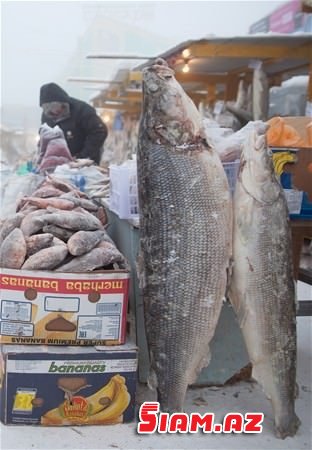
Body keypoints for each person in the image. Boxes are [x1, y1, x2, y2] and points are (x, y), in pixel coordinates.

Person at [39, 82, 108, 164]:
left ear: (63, 102)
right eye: (47, 108)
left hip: (85, 162)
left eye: (54, 106)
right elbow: (44, 137)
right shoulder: (47, 117)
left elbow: (99, 131)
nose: (53, 111)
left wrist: (82, 156)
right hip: (60, 163)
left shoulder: (82, 110)